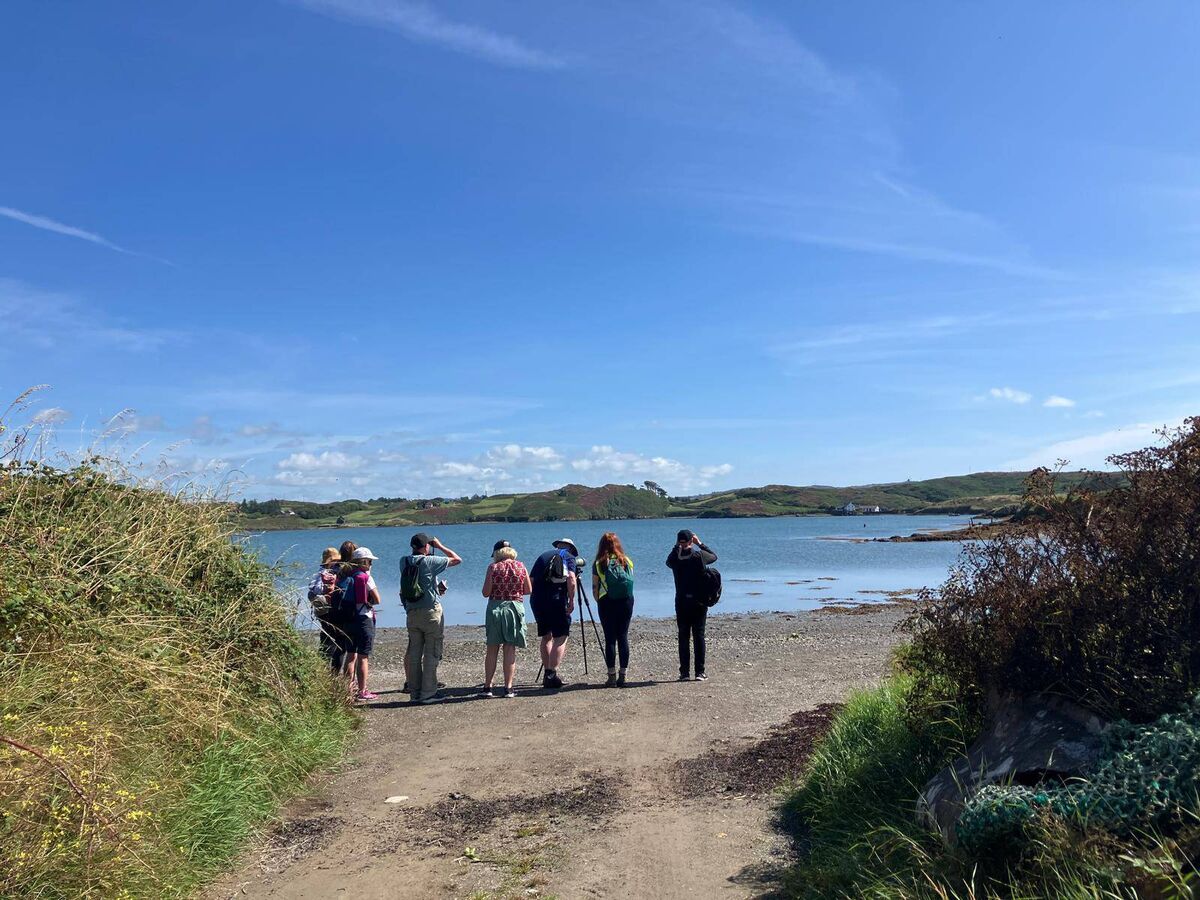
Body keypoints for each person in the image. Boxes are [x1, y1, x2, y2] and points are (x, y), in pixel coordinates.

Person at [401, 532, 461, 705]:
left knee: (414, 653)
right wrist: (440, 546)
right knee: (431, 653)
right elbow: (457, 559)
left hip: (412, 612)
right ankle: (428, 693)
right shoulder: (430, 561)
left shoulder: (403, 561)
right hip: (431, 612)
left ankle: (415, 692)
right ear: (426, 546)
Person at [479, 540, 531, 698]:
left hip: (495, 608)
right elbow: (528, 590)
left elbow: (486, 592)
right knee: (510, 648)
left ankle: (488, 686)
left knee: (492, 648)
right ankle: (508, 688)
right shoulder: (521, 566)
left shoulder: (493, 567)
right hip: (515, 607)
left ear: (497, 554)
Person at [666, 529, 717, 682]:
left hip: (681, 601)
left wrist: (677, 547)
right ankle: (700, 672)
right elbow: (714, 556)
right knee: (698, 635)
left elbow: (668, 562)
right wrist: (699, 543)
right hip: (699, 601)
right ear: (690, 541)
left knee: (683, 636)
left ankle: (684, 673)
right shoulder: (699, 556)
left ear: (678, 542)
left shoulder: (675, 558)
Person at [528, 538, 578, 690]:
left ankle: (546, 674)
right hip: (556, 600)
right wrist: (571, 600)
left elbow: (530, 580)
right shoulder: (568, 557)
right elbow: (571, 578)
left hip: (537, 600)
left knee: (546, 636)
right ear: (570, 548)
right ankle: (551, 674)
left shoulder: (543, 556)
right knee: (561, 637)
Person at [592, 532, 635, 687]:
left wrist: (599, 600)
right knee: (623, 636)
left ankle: (611, 676)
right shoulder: (627, 560)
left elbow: (595, 587)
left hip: (606, 601)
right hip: (626, 601)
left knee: (610, 638)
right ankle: (623, 675)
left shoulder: (599, 563)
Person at [343, 547, 381, 702]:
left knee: (351, 655)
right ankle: (362, 691)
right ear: (363, 562)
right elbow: (377, 599)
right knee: (363, 656)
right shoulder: (366, 577)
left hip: (348, 618)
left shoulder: (347, 575)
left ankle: (347, 690)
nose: (371, 564)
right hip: (363, 618)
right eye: (370, 561)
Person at [307, 547, 347, 673]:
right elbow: (316, 588)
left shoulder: (321, 571)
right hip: (326, 609)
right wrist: (328, 590)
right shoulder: (328, 572)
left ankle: (322, 668)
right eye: (335, 560)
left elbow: (311, 589)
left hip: (320, 609)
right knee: (334, 638)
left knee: (326, 636)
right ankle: (329, 671)